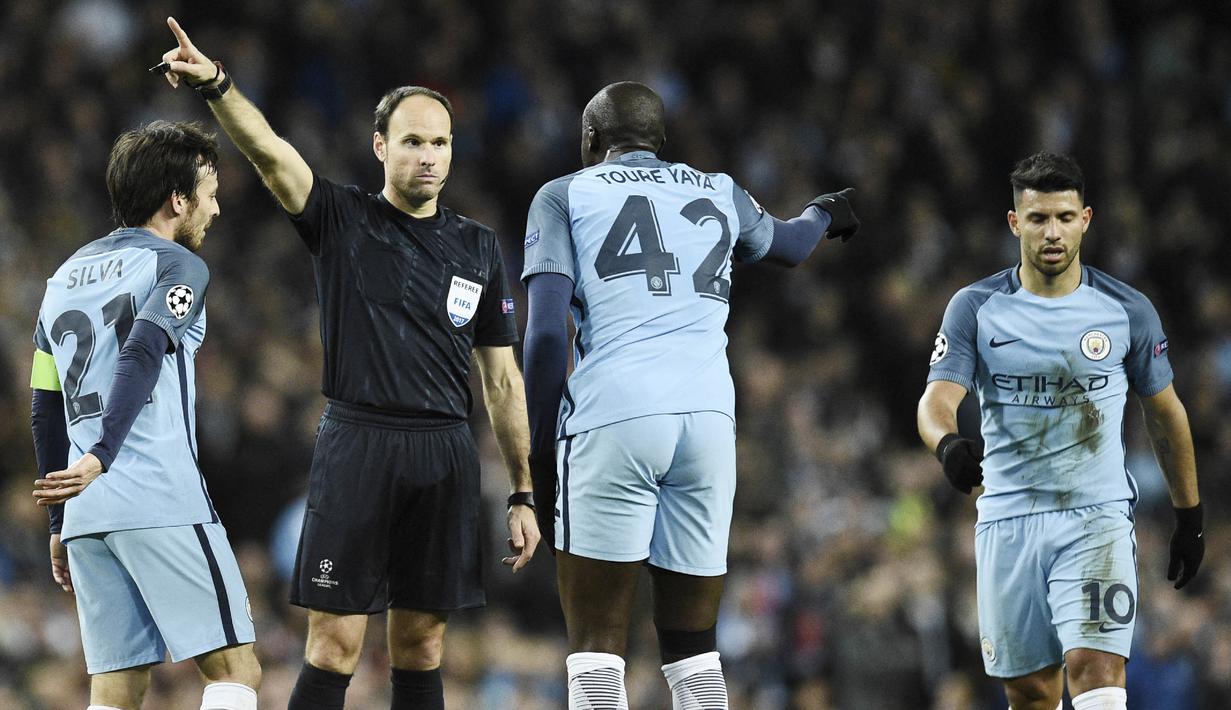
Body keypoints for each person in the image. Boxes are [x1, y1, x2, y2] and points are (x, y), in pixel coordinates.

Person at [154, 17, 539, 710]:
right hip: (358, 444)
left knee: (423, 647)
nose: (429, 156)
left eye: (441, 142)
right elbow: (270, 151)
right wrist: (217, 85)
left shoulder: (479, 247)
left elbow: (503, 379)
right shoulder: (341, 218)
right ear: (380, 145)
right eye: (413, 141)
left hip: (444, 452)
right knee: (333, 645)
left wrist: (521, 491)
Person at [521, 81, 860, 709]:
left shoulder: (563, 194)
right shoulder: (718, 188)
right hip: (707, 423)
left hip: (614, 416)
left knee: (597, 649)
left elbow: (544, 335)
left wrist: (540, 454)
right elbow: (790, 245)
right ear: (660, 140)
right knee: (695, 653)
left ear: (590, 139)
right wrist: (824, 213)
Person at [916, 152, 1205, 710]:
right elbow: (936, 400)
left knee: (1096, 666)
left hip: (1095, 517)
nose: (1053, 232)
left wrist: (1189, 515)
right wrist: (948, 445)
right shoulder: (975, 307)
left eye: (1065, 217)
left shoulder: (1126, 310)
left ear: (1085, 219)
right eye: (1039, 218)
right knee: (1031, 693)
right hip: (1008, 521)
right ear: (1014, 222)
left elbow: (1165, 414)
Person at [30, 121, 261, 710]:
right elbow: (143, 348)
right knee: (235, 670)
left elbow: (45, 403)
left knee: (116, 689)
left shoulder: (60, 279)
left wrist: (59, 519)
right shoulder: (179, 266)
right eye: (209, 194)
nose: (215, 208)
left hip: (87, 512)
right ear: (177, 200)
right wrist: (103, 455)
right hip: (158, 495)